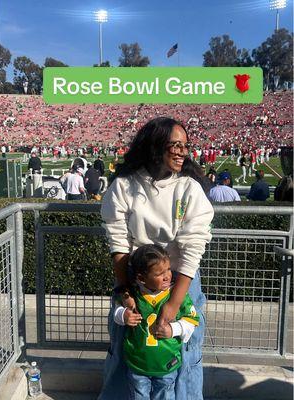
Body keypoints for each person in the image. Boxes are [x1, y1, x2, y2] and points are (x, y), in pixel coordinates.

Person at [99, 117, 214, 400]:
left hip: (181, 279)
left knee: (184, 351)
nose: (181, 152)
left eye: (185, 146)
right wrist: (126, 290)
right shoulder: (123, 187)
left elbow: (192, 251)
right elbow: (119, 245)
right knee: (126, 339)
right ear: (155, 146)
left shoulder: (189, 189)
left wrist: (173, 304)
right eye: (175, 145)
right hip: (136, 278)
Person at [114, 244, 199, 400]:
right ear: (141, 278)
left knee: (165, 395)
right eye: (160, 273)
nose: (167, 275)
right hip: (138, 364)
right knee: (138, 396)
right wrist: (123, 315)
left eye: (168, 269)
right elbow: (117, 310)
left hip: (167, 364)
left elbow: (192, 320)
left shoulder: (176, 296)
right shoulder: (132, 295)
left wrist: (173, 330)